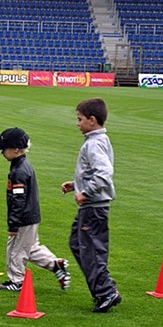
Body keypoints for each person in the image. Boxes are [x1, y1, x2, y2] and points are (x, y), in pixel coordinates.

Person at [0, 127, 70, 292]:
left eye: (4, 148)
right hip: (31, 215)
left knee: (16, 249)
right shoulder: (22, 165)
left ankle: (17, 280)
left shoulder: (19, 171)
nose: (2, 152)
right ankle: (56, 264)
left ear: (16, 150)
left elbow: (19, 199)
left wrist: (13, 224)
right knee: (29, 248)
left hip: (23, 217)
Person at [61, 98, 121, 313]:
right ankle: (103, 287)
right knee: (77, 244)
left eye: (80, 119)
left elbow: (104, 173)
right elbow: (92, 171)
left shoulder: (94, 143)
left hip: (93, 206)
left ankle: (106, 291)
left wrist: (86, 191)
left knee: (91, 249)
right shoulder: (97, 140)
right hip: (91, 205)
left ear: (92, 120)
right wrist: (76, 184)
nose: (77, 123)